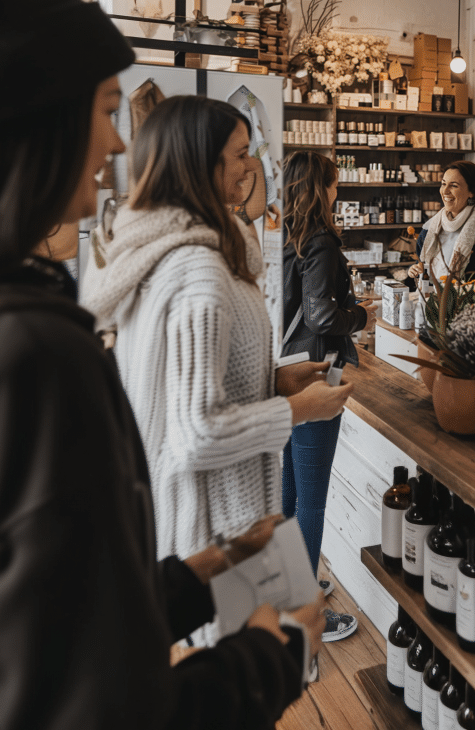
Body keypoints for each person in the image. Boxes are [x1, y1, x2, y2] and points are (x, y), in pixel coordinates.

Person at [0, 0, 322, 730]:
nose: (119, 147)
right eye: (107, 112)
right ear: (36, 124)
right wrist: (273, 656)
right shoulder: (32, 359)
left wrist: (188, 585)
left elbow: (1, 619)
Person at [81, 97, 353, 646]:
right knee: (239, 680)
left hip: (203, 521)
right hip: (212, 527)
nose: (252, 167)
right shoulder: (198, 269)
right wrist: (301, 408)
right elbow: (197, 430)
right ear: (199, 164)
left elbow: (185, 386)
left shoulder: (175, 250)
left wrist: (271, 383)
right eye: (239, 154)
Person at [281, 151, 377, 642]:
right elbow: (322, 318)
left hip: (282, 371)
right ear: (321, 188)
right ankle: (304, 609)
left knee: (288, 488)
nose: (338, 191)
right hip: (318, 371)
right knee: (312, 495)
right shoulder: (318, 242)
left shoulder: (282, 236)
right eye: (334, 184)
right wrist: (359, 316)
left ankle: (287, 588)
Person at [407, 160, 475, 288]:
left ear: (471, 192)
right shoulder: (431, 227)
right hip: (430, 302)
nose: (445, 191)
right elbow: (422, 266)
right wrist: (415, 271)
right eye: (443, 184)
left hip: (469, 305)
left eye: (454, 186)